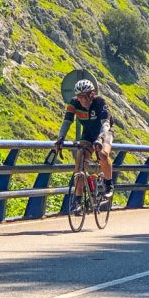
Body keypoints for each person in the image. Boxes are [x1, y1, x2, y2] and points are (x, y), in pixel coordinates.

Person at [55, 79, 114, 214]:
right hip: (87, 134)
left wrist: (100, 138)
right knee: (80, 163)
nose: (83, 100)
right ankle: (77, 200)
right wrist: (60, 138)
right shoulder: (74, 103)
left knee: (103, 154)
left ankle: (108, 183)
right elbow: (67, 121)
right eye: (80, 97)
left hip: (104, 132)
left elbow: (105, 123)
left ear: (92, 94)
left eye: (86, 96)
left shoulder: (100, 102)